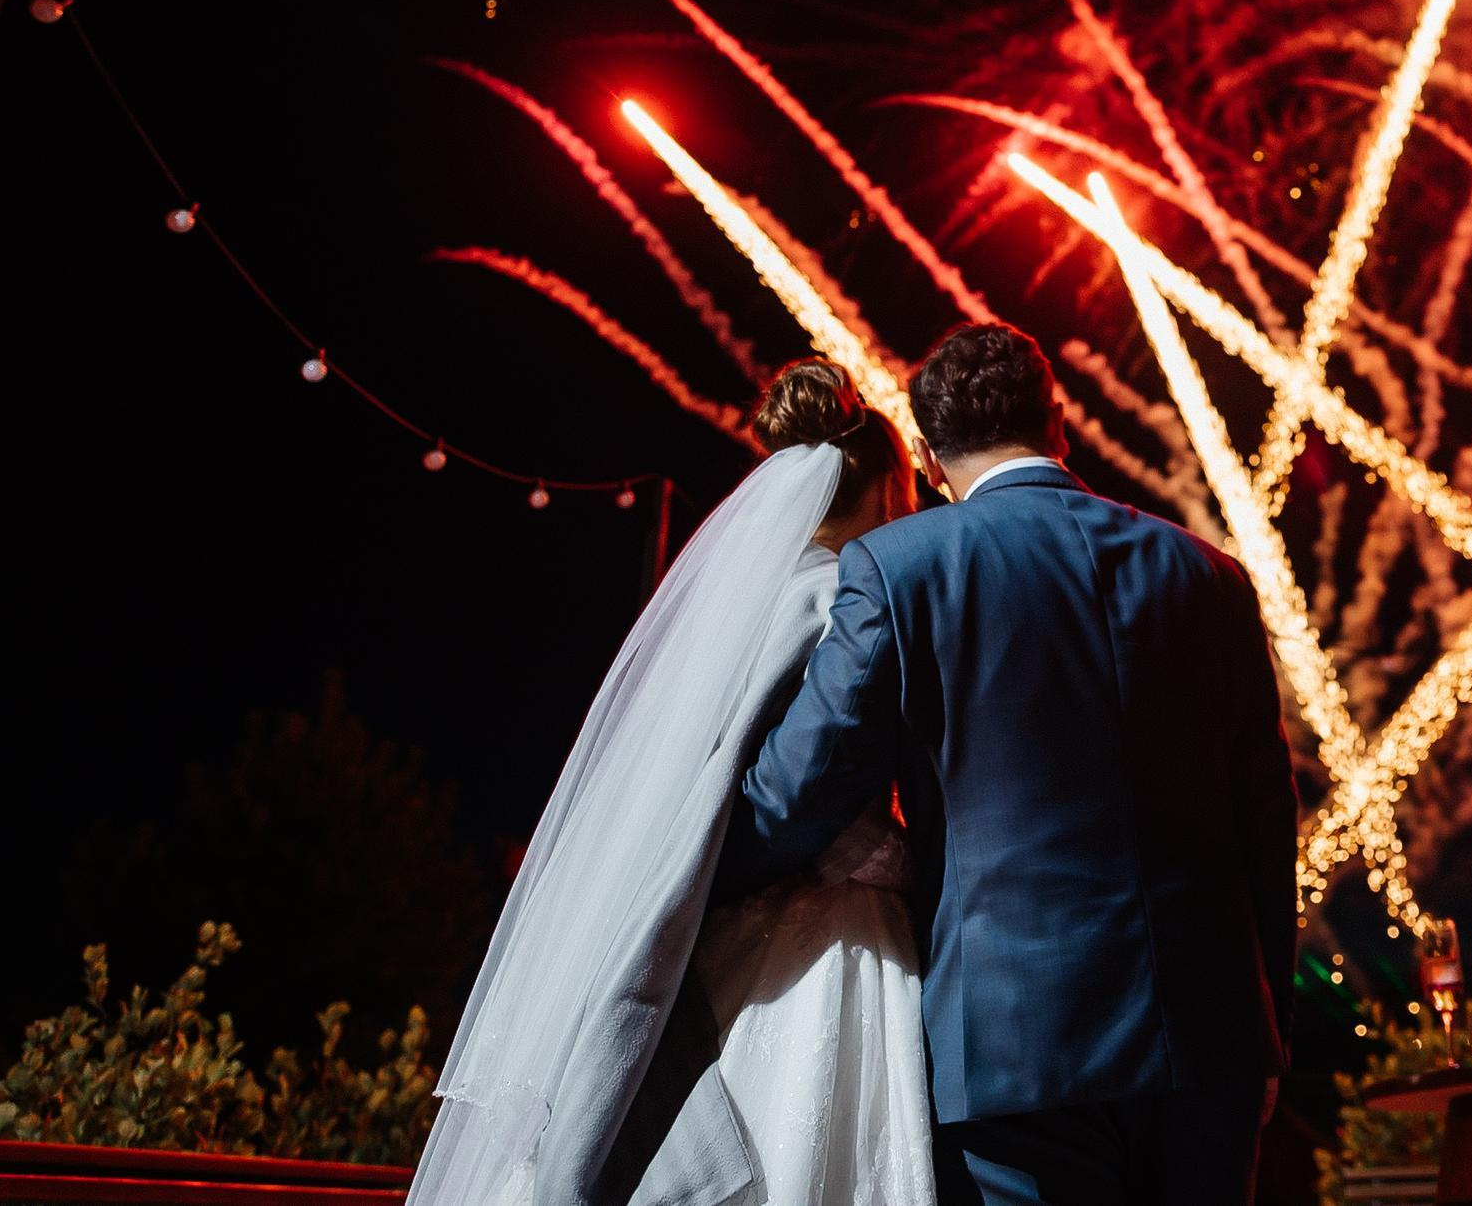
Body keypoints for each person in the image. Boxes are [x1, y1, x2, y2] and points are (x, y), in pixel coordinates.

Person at [723, 321, 1298, 1206]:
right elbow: (1266, 819)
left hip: (1013, 1039)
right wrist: (1268, 1029)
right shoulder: (1210, 575)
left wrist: (695, 869)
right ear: (1059, 422)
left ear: (926, 450)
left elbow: (804, 783)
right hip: (1209, 1032)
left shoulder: (901, 565)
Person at [407, 359, 938, 1206]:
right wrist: (889, 852)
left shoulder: (742, 604)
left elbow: (714, 777)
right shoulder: (843, 593)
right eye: (905, 489)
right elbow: (808, 770)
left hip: (714, 936)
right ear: (879, 489)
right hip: (824, 933)